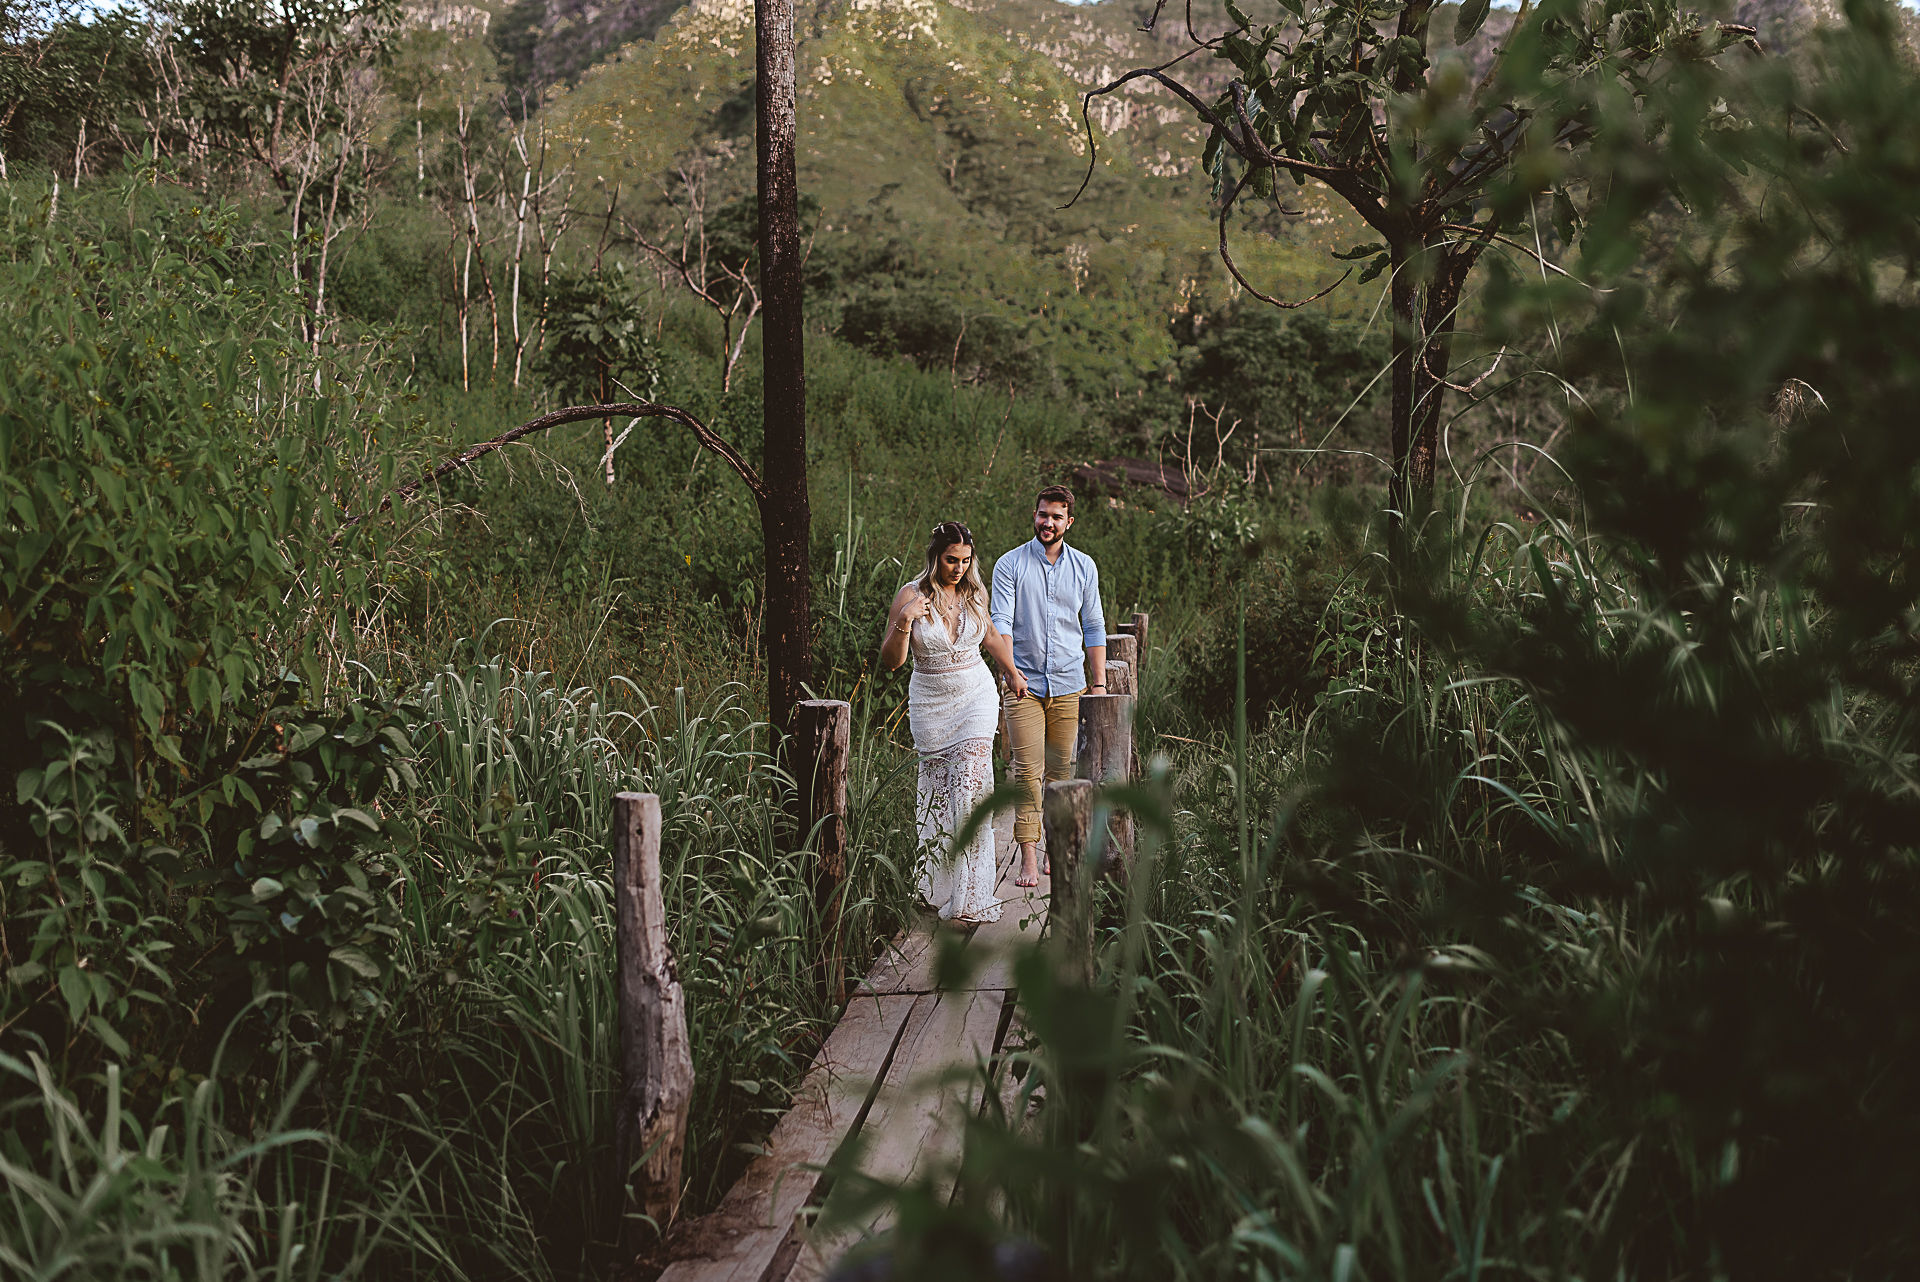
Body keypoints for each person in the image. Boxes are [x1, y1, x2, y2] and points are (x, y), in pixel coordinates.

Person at [880, 521, 1031, 924]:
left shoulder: (974, 594)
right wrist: (906, 621)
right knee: (940, 798)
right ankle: (940, 886)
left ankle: (972, 895)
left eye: (965, 561)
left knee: (970, 786)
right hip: (931, 705)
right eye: (951, 560)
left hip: (976, 697)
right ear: (934, 556)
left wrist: (1013, 673)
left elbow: (993, 639)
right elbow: (892, 662)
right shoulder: (910, 596)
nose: (959, 568)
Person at [991, 485, 1106, 889]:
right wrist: (1010, 672)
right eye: (1043, 514)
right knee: (1026, 772)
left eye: (1057, 517)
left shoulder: (1084, 567)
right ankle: (1027, 856)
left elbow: (1093, 625)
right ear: (1034, 515)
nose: (1048, 523)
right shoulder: (1010, 565)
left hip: (1069, 683)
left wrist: (1098, 683)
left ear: (1069, 522)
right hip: (1022, 683)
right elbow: (1000, 623)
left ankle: (1055, 853)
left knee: (1061, 774)